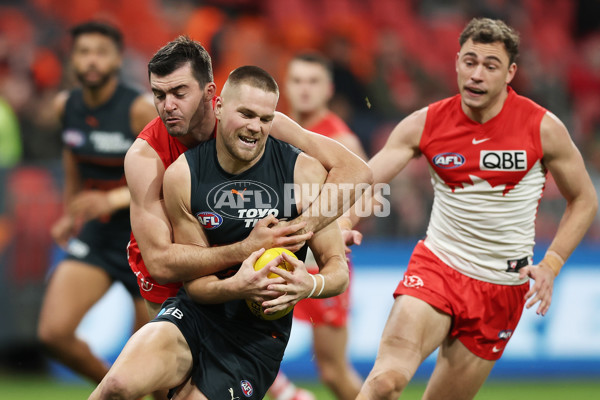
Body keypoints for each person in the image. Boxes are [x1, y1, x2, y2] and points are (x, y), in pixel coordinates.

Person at [342, 18, 598, 400]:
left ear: (510, 72)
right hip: (437, 268)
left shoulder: (543, 128)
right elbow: (365, 178)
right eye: (469, 61)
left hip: (501, 289)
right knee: (383, 383)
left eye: (490, 66)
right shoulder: (425, 123)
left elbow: (585, 199)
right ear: (456, 62)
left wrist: (553, 263)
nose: (476, 75)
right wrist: (344, 220)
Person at [90, 65, 350, 400]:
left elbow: (337, 269)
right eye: (245, 114)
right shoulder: (183, 175)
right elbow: (197, 288)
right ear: (219, 107)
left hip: (255, 337)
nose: (255, 128)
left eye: (265, 119)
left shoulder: (303, 173)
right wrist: (237, 283)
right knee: (116, 387)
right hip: (196, 314)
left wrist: (309, 283)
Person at [124, 36, 371, 319]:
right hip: (178, 276)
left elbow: (356, 171)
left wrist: (306, 228)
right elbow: (161, 264)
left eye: (179, 93)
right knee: (171, 355)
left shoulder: (255, 122)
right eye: (159, 95)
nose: (167, 106)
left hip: (243, 255)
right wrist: (250, 246)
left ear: (210, 94)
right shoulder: (145, 157)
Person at [37, 21, 157, 385]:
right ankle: (117, 390)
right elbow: (73, 156)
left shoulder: (138, 109)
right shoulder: (66, 106)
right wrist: (69, 210)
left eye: (101, 53)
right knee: (52, 335)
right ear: (72, 59)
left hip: (145, 238)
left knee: (156, 368)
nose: (92, 61)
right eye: (84, 52)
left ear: (118, 59)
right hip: (99, 235)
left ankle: (132, 387)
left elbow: (167, 176)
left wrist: (111, 198)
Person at [268, 52, 367, 400]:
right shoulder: (274, 130)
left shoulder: (342, 139)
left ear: (328, 89)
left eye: (313, 82)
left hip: (323, 257)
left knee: (332, 369)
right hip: (279, 252)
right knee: (243, 341)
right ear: (286, 87)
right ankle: (287, 394)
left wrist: (341, 225)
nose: (304, 90)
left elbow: (363, 196)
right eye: (297, 81)